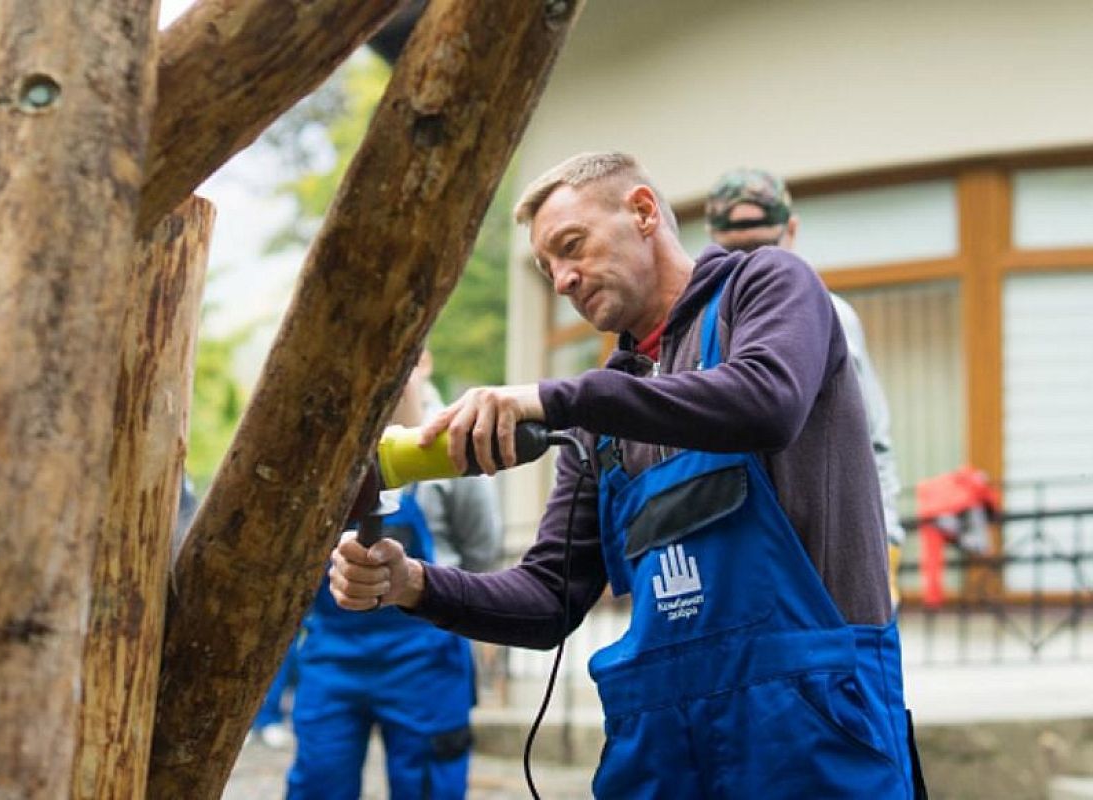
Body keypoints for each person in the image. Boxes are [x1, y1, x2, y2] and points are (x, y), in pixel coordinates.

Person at [328, 152, 922, 797]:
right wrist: (412, 583)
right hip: (666, 744)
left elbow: (765, 402)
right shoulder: (601, 410)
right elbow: (547, 599)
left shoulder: (767, 286)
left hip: (809, 726)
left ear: (642, 212)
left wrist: (556, 399)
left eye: (571, 246)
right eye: (547, 265)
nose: (561, 279)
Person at [286, 351, 502, 800]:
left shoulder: (458, 452)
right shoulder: (324, 459)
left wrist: (486, 652)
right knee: (319, 782)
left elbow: (481, 558)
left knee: (429, 786)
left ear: (423, 361)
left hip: (426, 660)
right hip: (332, 657)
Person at [704, 167, 907, 605]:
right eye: (734, 252)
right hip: (732, 554)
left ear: (791, 231)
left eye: (763, 248)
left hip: (826, 552)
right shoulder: (697, 331)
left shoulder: (832, 318)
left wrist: (885, 537)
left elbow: (874, 442)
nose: (751, 266)